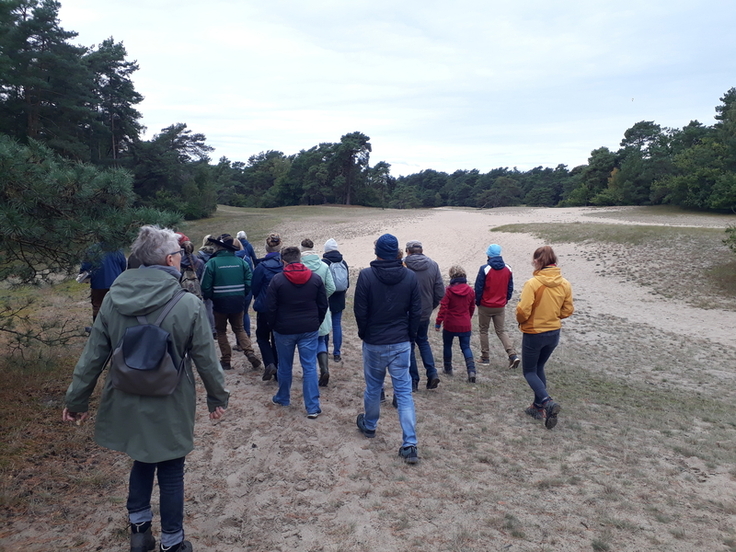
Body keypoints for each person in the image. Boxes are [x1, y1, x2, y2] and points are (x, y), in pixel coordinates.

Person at [63, 225, 229, 552]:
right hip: (170, 398)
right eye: (179, 254)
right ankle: (172, 542)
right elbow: (206, 360)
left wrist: (76, 399)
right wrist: (216, 397)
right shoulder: (189, 304)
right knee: (170, 470)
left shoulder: (112, 300)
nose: (182, 259)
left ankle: (139, 531)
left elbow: (93, 354)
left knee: (141, 458)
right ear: (169, 259)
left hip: (125, 395)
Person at [354, 233, 421, 464]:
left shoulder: (367, 276)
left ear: (377, 252)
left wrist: (366, 334)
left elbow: (360, 312)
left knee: (374, 387)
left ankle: (371, 424)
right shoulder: (409, 277)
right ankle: (409, 443)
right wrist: (410, 337)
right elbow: (417, 312)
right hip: (399, 341)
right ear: (395, 253)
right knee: (403, 393)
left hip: (377, 341)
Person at [516, 245, 574, 429]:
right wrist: (553, 317)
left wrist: (522, 320)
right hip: (553, 333)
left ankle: (547, 402)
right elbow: (568, 309)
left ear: (538, 261)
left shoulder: (533, 284)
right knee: (539, 367)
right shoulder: (565, 283)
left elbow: (523, 310)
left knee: (529, 371)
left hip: (534, 333)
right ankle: (537, 407)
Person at [266, 246, 328, 418]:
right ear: (300, 259)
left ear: (283, 261)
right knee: (309, 366)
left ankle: (284, 397)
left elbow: (270, 307)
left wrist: (274, 324)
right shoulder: (315, 279)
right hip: (308, 328)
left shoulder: (277, 280)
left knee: (285, 365)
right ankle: (313, 406)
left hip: (285, 329)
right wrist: (316, 322)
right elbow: (323, 304)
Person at [200, 234, 261, 371]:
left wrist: (212, 296)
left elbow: (205, 286)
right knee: (239, 329)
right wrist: (242, 294)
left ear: (218, 247)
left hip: (220, 303)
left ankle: (226, 360)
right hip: (238, 301)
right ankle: (250, 352)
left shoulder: (212, 263)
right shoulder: (242, 262)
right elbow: (249, 282)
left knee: (221, 331)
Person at [403, 240, 444, 391]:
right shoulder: (433, 265)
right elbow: (440, 292)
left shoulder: (402, 265)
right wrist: (429, 307)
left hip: (407, 313)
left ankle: (414, 380)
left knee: (410, 344)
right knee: (423, 341)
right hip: (424, 312)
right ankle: (432, 373)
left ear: (408, 251)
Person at [474, 243, 520, 369]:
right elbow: (510, 287)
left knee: (484, 330)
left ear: (488, 255)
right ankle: (512, 354)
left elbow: (478, 288)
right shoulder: (508, 268)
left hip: (486, 304)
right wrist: (505, 300)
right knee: (501, 331)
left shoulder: (485, 269)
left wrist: (477, 302)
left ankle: (485, 357)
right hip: (500, 305)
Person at [300, 238, 335, 387]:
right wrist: (321, 298)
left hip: (302, 308)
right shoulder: (323, 266)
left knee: (305, 342)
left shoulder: (299, 266)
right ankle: (324, 368)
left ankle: (309, 373)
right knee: (321, 340)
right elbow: (331, 287)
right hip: (320, 308)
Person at [435, 266, 477, 382]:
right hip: (465, 323)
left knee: (447, 345)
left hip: (450, 323)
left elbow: (443, 307)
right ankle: (471, 370)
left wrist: (438, 322)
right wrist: (468, 318)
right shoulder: (470, 290)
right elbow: (472, 307)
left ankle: (448, 368)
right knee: (466, 347)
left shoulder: (448, 290)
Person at [251, 233, 283, 381]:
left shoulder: (261, 267)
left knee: (262, 337)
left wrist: (259, 298)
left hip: (264, 307)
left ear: (266, 248)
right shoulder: (284, 265)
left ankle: (270, 363)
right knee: (276, 338)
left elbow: (255, 287)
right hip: (281, 307)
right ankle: (277, 370)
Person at [79, 245, 127, 322]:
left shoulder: (92, 249)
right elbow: (123, 265)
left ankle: (97, 329)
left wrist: (84, 277)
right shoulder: (117, 249)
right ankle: (115, 327)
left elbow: (85, 267)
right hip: (115, 284)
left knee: (97, 307)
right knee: (116, 307)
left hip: (98, 284)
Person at [321, 238, 349, 363]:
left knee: (326, 324)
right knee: (337, 325)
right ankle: (337, 353)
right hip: (339, 297)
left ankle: (324, 351)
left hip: (326, 297)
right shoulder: (343, 262)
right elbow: (347, 282)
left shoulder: (323, 262)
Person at [196, 235, 217, 336]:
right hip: (216, 281)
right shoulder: (216, 253)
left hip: (204, 282)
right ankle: (217, 328)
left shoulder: (200, 255)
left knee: (208, 306)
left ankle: (211, 329)